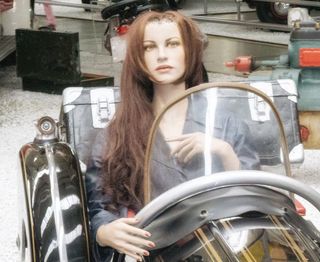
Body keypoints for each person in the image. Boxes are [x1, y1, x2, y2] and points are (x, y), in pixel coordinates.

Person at [87, 10, 259, 261]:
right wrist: (104, 232)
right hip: (156, 250)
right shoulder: (117, 134)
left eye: (172, 43)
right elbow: (100, 206)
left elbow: (257, 198)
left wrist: (224, 151)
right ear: (138, 58)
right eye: (149, 47)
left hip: (223, 247)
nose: (162, 55)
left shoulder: (225, 123)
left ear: (190, 52)